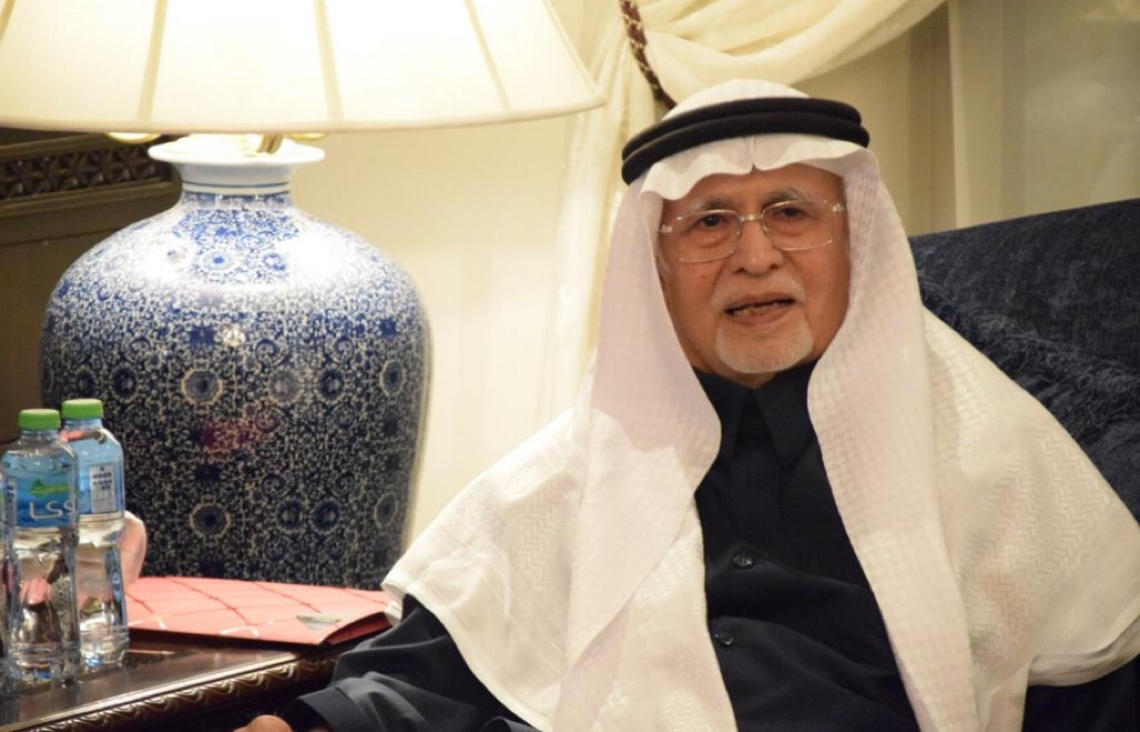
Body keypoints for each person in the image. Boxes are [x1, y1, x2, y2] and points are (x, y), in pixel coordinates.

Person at [238, 80, 1140, 731]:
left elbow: (1092, 680)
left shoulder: (983, 451)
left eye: (791, 212)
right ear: (657, 268)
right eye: (709, 223)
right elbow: (438, 669)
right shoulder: (583, 462)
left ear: (854, 241)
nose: (755, 256)